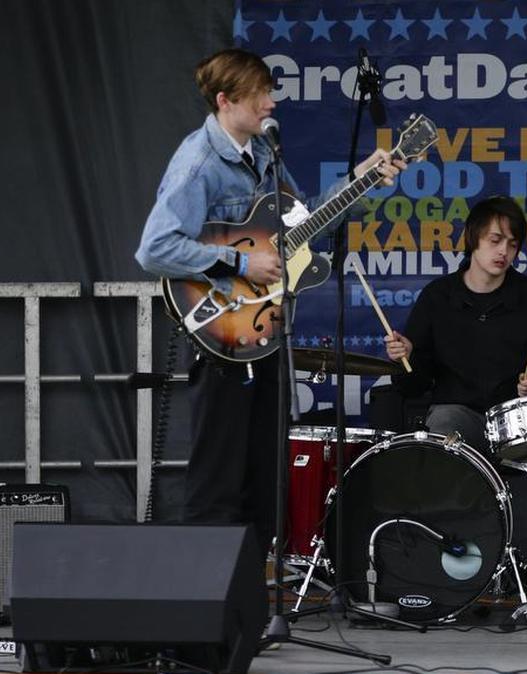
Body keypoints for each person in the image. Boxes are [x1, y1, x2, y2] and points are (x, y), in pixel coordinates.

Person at [134, 48, 406, 556]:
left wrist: (364, 179)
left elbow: (305, 225)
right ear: (226, 100)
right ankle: (203, 605)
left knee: (263, 476)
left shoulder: (263, 155)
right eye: (260, 93)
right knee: (216, 477)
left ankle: (249, 604)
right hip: (221, 334)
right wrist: (240, 266)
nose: (270, 102)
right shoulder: (199, 164)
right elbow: (155, 248)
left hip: (267, 333)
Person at [384, 196, 527, 454]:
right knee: (444, 423)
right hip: (458, 418)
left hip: (518, 423)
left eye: (512, 244)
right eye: (495, 240)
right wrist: (405, 358)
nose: (503, 252)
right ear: (472, 238)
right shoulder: (437, 297)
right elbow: (413, 386)